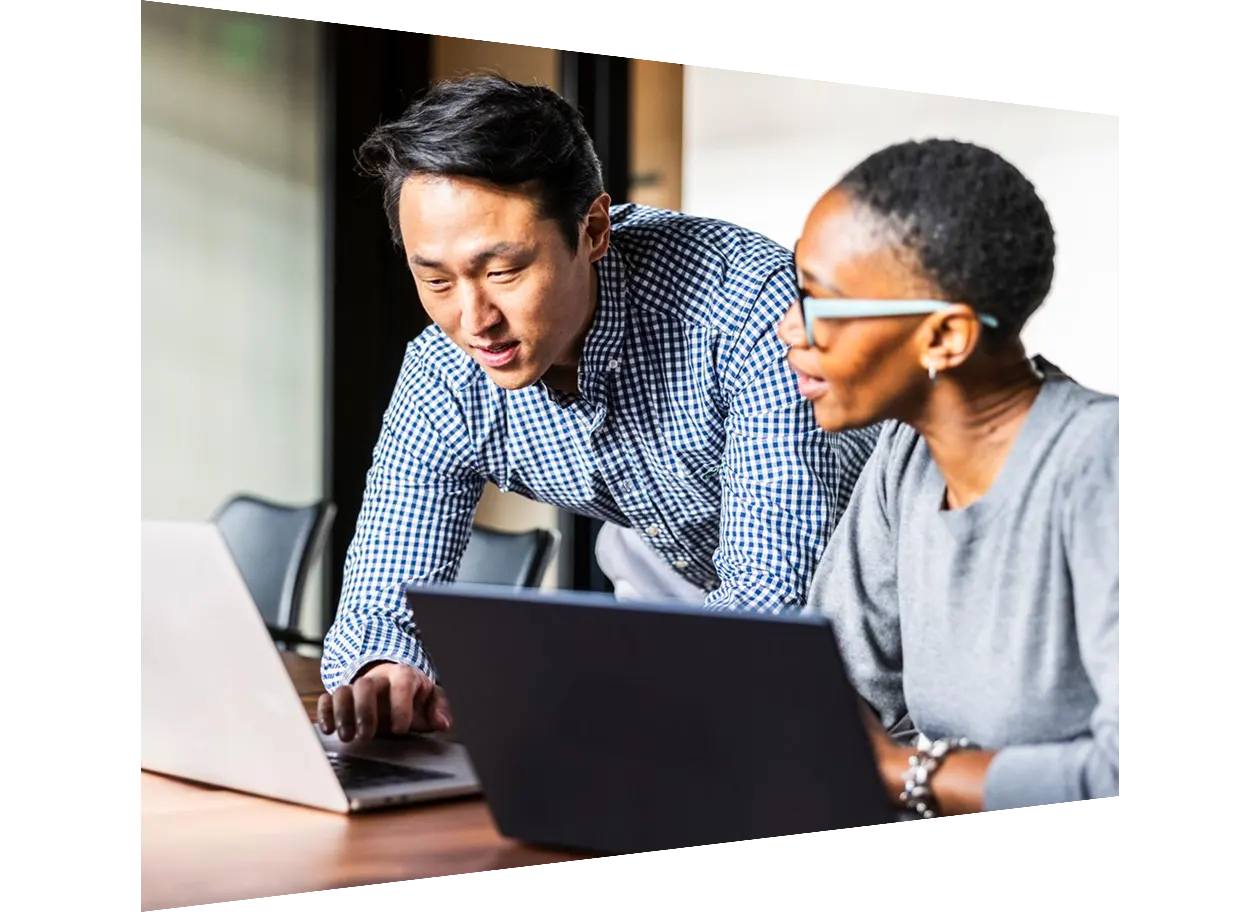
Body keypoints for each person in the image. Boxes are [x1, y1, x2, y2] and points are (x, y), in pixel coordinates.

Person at [316, 73, 881, 744]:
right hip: (716, 615)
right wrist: (385, 667)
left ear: (593, 228)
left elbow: (770, 609)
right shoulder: (446, 372)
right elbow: (385, 585)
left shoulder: (751, 312)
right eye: (435, 279)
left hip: (894, 624)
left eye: (503, 272)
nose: (473, 320)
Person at [779, 138, 1119, 818]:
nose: (790, 329)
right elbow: (828, 703)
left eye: (819, 304)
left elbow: (1170, 777)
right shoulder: (905, 458)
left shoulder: (1110, 466)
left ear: (944, 339)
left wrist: (902, 772)